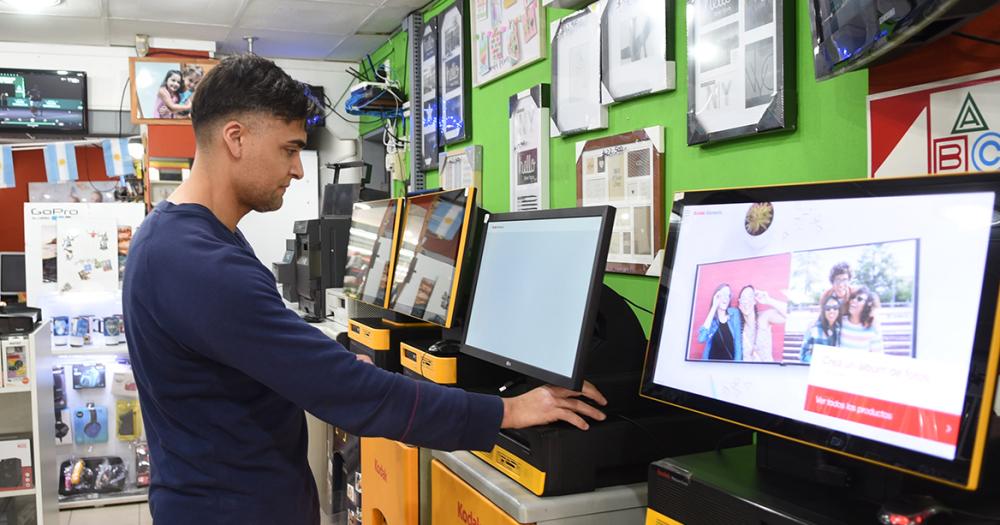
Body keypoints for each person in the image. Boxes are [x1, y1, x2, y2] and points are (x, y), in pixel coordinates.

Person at [122, 53, 607, 525]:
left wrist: (326, 360)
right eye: (289, 149)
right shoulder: (196, 260)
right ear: (235, 138)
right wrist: (509, 409)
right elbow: (351, 395)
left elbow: (258, 340)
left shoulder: (183, 237)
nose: (296, 169)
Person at [736, 285, 787, 362]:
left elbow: (789, 314)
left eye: (749, 297)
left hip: (766, 371)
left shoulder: (764, 318)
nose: (746, 301)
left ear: (754, 301)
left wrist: (768, 300)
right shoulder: (738, 327)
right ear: (739, 304)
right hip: (747, 372)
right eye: (743, 298)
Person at [697, 283, 742, 360]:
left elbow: (738, 343)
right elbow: (701, 339)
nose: (726, 298)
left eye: (728, 295)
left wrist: (737, 365)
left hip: (729, 366)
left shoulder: (734, 314)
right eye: (723, 294)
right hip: (711, 366)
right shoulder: (711, 320)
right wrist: (714, 307)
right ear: (716, 297)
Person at [839, 286, 883, 353]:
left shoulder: (873, 328)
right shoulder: (841, 322)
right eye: (853, 297)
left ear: (868, 304)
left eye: (859, 299)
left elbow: (878, 355)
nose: (854, 300)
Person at [799, 296, 842, 363]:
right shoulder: (813, 328)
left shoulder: (840, 329)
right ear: (823, 310)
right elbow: (803, 355)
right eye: (828, 308)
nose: (832, 311)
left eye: (835, 308)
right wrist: (819, 363)